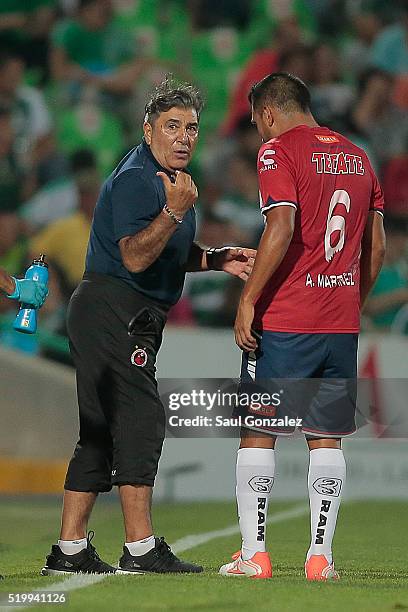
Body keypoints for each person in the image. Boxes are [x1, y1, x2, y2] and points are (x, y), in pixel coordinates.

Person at [41, 77, 256, 576]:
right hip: (116, 307)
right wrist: (173, 212)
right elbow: (136, 257)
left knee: (98, 431)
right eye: (173, 126)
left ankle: (69, 550)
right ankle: (140, 549)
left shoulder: (164, 179)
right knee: (139, 419)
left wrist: (215, 258)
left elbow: (165, 254)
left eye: (193, 128)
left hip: (109, 309)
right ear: (149, 129)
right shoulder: (144, 180)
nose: (184, 137)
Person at [219, 72, 385, 581]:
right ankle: (320, 559)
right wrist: (351, 298)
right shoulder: (359, 157)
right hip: (339, 322)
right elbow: (375, 247)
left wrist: (248, 299)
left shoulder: (278, 152)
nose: (258, 134)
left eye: (255, 123)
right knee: (327, 437)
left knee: (258, 432)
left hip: (287, 319)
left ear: (269, 113)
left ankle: (255, 554)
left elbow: (282, 223)